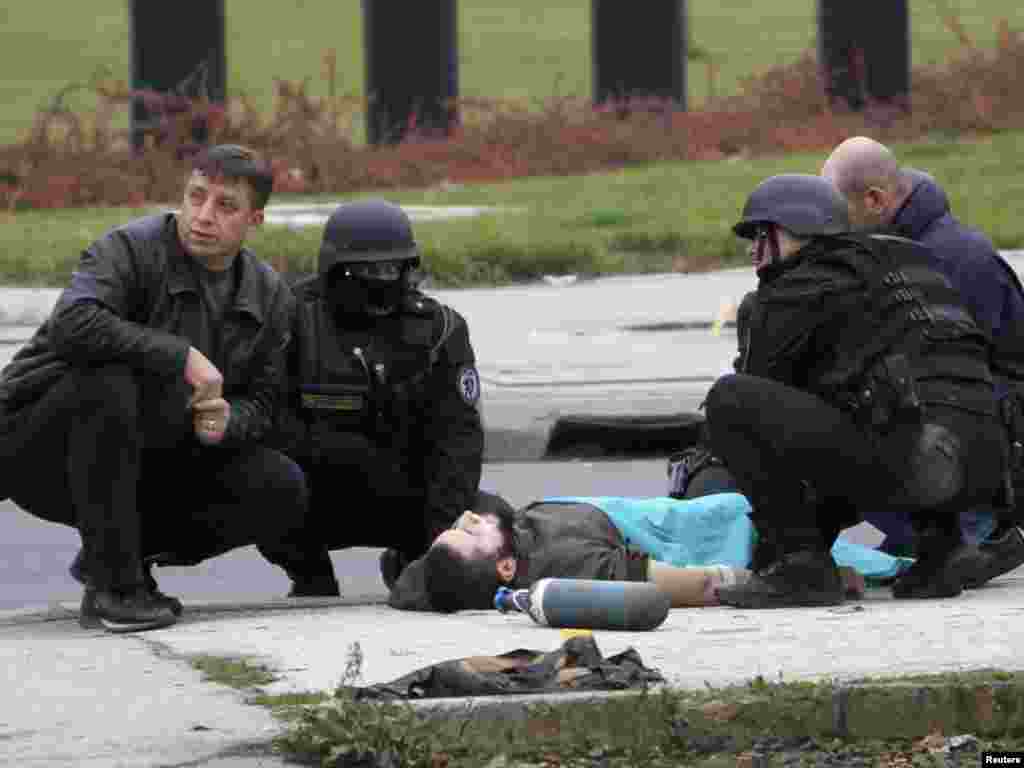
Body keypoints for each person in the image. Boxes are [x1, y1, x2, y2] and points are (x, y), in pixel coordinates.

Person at [0, 144, 312, 632]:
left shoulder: (270, 298)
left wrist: (228, 422)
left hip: (146, 460)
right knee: (111, 379)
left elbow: (267, 403)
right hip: (36, 442)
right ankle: (119, 589)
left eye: (225, 206)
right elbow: (73, 324)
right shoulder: (131, 247)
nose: (203, 216)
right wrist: (181, 355)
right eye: (196, 196)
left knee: (280, 484)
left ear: (255, 219)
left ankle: (116, 557)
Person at [702, 173, 1009, 608]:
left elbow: (766, 403)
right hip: (987, 470)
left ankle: (801, 567)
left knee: (731, 401)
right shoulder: (905, 261)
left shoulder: (799, 285)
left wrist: (783, 541)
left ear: (798, 232)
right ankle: (942, 551)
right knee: (885, 407)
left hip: (922, 464)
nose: (752, 249)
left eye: (760, 234)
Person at [821, 136, 1024, 586]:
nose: (828, 227)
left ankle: (964, 532)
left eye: (836, 213)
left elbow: (988, 378)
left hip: (983, 441)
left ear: (874, 200)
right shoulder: (894, 253)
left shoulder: (953, 261)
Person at [264, 199, 484, 596]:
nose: (381, 280)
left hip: (407, 491)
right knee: (266, 483)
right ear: (334, 271)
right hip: (317, 494)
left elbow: (460, 442)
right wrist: (337, 450)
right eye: (365, 270)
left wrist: (441, 545)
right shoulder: (292, 318)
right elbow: (267, 420)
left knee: (490, 519)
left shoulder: (439, 330)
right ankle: (312, 578)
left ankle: (412, 563)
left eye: (391, 269)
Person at [389, 490, 901, 613]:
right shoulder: (568, 564)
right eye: (470, 531)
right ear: (505, 566)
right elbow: (678, 583)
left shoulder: (495, 548)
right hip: (730, 529)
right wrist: (748, 582)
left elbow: (410, 583)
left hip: (688, 511)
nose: (470, 519)